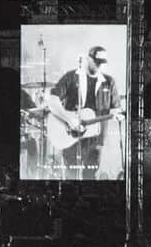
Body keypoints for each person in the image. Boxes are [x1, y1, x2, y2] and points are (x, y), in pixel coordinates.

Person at [45, 45, 122, 179]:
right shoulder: (71, 77)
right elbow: (52, 101)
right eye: (96, 62)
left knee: (90, 176)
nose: (99, 66)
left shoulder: (109, 82)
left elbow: (116, 110)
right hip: (71, 136)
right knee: (71, 176)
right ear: (88, 59)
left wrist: (118, 115)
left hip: (96, 140)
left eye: (102, 63)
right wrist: (70, 120)